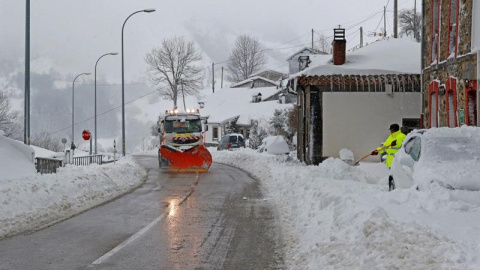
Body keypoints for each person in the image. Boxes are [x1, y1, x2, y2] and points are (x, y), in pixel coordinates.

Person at [371, 123, 406, 191]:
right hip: (390, 161)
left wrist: (396, 143)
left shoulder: (402, 136)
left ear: (394, 130)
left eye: (391, 130)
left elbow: (402, 145)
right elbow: (384, 147)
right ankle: (391, 191)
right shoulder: (390, 137)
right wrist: (377, 151)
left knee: (398, 179)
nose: (390, 131)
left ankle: (399, 191)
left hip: (398, 161)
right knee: (391, 178)